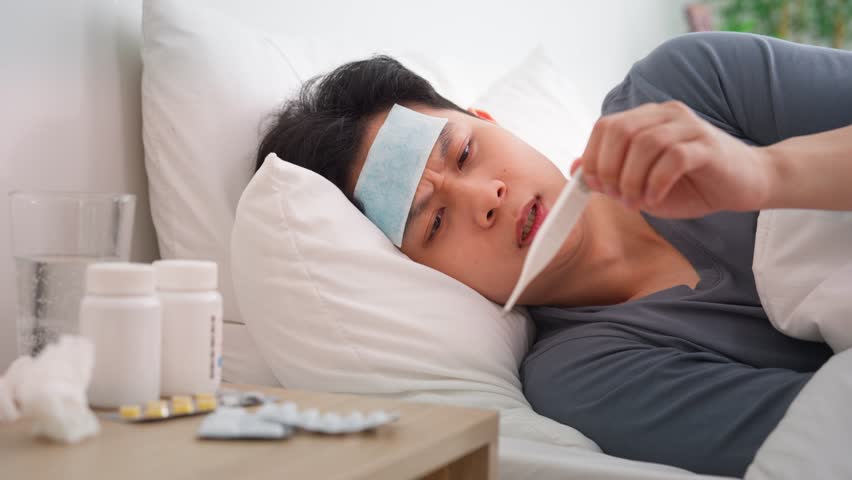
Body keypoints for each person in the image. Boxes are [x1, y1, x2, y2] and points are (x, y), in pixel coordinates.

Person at [255, 32, 852, 476]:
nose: (485, 197)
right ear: (423, 275)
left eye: (464, 153)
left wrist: (766, 171)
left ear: (490, 121)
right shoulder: (586, 379)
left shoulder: (687, 88)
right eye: (434, 222)